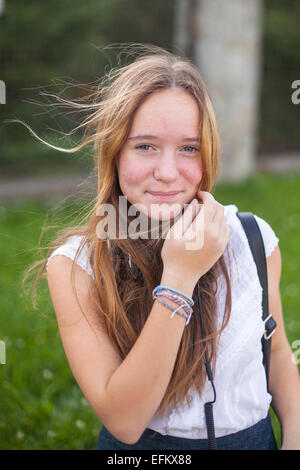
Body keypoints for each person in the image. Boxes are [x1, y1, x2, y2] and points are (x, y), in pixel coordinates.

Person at [30, 45, 300, 450]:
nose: (168, 172)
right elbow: (124, 421)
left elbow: (275, 350)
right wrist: (180, 276)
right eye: (145, 146)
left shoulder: (253, 237)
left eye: (188, 148)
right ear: (114, 152)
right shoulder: (76, 265)